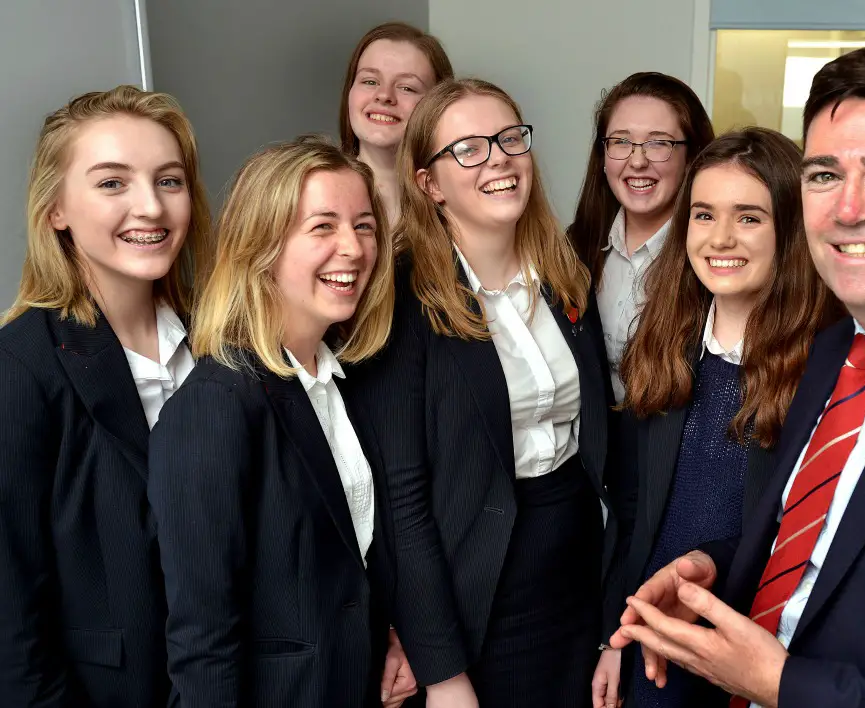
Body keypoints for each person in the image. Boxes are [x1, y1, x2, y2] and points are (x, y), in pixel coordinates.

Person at [612, 39, 865, 708]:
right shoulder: (835, 353)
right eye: (824, 175)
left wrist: (782, 684)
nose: (848, 209)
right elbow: (826, 542)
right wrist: (715, 565)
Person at [351, 78, 625, 707]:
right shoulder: (402, 295)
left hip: (577, 574)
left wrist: (616, 621)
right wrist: (442, 669)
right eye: (468, 150)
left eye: (509, 139)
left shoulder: (564, 274)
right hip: (476, 588)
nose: (499, 158)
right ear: (429, 184)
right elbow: (402, 499)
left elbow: (603, 448)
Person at [147, 135, 416, 707]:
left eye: (365, 225)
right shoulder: (217, 403)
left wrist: (392, 635)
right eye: (322, 227)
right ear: (261, 245)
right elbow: (203, 637)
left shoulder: (345, 383)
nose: (353, 248)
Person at [591, 128, 842, 708]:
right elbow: (628, 510)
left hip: (757, 644)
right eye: (704, 215)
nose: (721, 238)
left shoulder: (828, 366)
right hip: (653, 633)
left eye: (749, 217)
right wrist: (613, 636)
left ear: (792, 229)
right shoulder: (662, 345)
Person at [0, 85, 210, 705]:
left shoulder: (220, 346)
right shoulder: (20, 365)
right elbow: (9, 620)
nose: (151, 207)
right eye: (113, 183)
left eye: (169, 181)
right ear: (56, 208)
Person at [568, 72, 714, 403]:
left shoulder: (713, 259)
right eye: (620, 142)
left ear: (691, 158)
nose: (637, 161)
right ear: (603, 157)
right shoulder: (576, 246)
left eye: (659, 143)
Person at [340, 21, 454, 225]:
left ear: (438, 104)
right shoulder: (306, 193)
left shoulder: (460, 203)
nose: (384, 96)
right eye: (370, 81)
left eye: (407, 88)